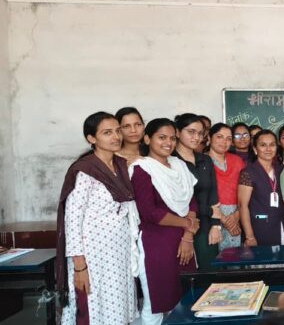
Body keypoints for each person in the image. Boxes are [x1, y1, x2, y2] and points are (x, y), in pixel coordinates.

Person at [56, 112, 137, 325]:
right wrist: (80, 266)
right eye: (107, 132)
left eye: (118, 131)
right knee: (93, 307)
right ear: (92, 139)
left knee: (118, 307)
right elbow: (72, 220)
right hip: (92, 255)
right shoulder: (84, 170)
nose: (116, 137)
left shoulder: (120, 165)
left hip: (119, 252)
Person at [130, 118, 199, 324]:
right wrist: (187, 225)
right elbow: (150, 212)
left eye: (172, 138)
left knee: (185, 298)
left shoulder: (179, 166)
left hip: (185, 241)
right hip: (156, 243)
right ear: (147, 138)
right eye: (161, 137)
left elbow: (192, 203)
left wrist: (188, 236)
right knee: (156, 302)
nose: (168, 143)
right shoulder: (142, 169)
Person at [173, 113, 222, 270]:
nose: (196, 137)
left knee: (210, 274)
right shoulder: (170, 160)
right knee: (186, 275)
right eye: (191, 132)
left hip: (206, 225)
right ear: (178, 132)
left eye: (200, 133)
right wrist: (209, 210)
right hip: (180, 226)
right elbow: (176, 199)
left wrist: (216, 226)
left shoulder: (205, 160)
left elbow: (213, 193)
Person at [238, 130, 284, 246]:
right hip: (258, 227)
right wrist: (250, 236)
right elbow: (242, 206)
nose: (268, 149)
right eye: (263, 145)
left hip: (280, 224)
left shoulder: (282, 170)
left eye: (272, 145)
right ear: (255, 149)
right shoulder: (248, 172)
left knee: (280, 261)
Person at [207, 123, 245, 250]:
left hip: (237, 214)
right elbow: (200, 195)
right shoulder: (202, 161)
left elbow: (245, 192)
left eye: (229, 138)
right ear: (209, 137)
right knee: (214, 261)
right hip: (211, 217)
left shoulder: (237, 161)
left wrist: (236, 216)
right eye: (219, 137)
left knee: (233, 260)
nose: (224, 142)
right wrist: (224, 219)